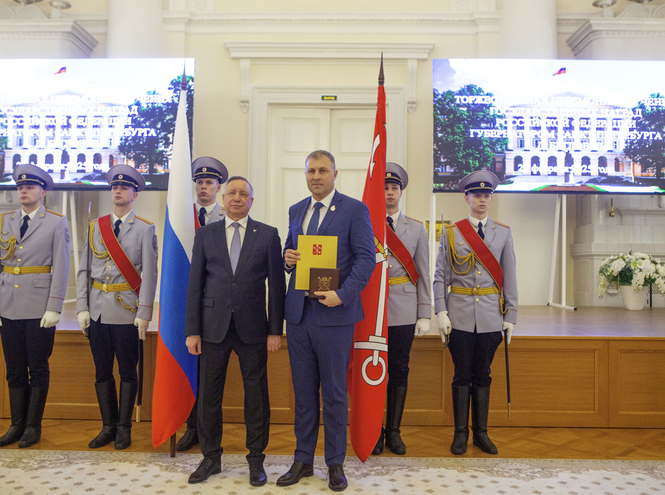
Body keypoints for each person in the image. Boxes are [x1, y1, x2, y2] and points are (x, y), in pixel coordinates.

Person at [277, 150, 375, 492]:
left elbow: (366, 259)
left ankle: (335, 463)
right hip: (300, 316)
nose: (316, 176)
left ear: (335, 173)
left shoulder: (354, 209)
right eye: (311, 171)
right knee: (303, 393)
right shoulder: (296, 210)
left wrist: (343, 294)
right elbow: (291, 254)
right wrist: (287, 258)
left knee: (333, 393)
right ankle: (303, 459)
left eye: (322, 170)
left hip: (334, 314)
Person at [185, 176, 285, 487]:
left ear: (252, 201)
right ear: (222, 197)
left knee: (256, 397)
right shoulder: (206, 235)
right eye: (232, 193)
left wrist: (275, 331)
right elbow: (195, 286)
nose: (237, 199)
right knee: (208, 398)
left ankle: (256, 459)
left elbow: (277, 289)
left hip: (254, 329)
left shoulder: (268, 235)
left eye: (244, 194)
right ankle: (210, 457)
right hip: (212, 328)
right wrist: (193, 330)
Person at [433, 170, 517, 456]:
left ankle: (481, 433)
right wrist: (440, 311)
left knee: (483, 374)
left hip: (492, 316)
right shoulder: (452, 232)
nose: (482, 199)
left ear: (490, 199)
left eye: (486, 195)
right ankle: (460, 434)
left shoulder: (503, 232)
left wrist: (511, 316)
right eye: (477, 195)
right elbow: (440, 275)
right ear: (466, 198)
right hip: (459, 314)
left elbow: (510, 276)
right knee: (461, 374)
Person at [76, 165, 158, 450]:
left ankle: (124, 428)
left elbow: (151, 273)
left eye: (124, 187)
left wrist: (144, 312)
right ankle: (108, 426)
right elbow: (84, 270)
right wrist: (82, 307)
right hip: (98, 309)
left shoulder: (146, 229)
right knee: (102, 371)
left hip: (126, 310)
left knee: (127, 371)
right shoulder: (95, 227)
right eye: (114, 187)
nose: (118, 191)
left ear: (134, 193)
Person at [0, 164, 71, 448]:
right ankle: (16, 424)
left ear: (42, 192)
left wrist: (55, 306)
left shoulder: (56, 222)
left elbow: (62, 266)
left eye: (29, 187)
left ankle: (33, 426)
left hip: (40, 305)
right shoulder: (5, 221)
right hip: (9, 304)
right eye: (20, 187)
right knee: (14, 368)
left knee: (37, 367)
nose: (23, 191)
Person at [372, 162, 430, 456]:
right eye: (385, 187)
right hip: (372, 310)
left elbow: (423, 271)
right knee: (373, 372)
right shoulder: (366, 224)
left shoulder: (416, 229)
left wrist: (425, 312)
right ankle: (374, 431)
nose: (390, 192)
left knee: (398, 370)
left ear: (401, 193)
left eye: (394, 188)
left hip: (404, 308)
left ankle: (393, 431)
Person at [176, 156, 228, 453]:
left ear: (218, 187)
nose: (203, 186)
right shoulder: (182, 218)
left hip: (217, 308)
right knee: (187, 366)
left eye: (209, 182)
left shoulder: (227, 217)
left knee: (209, 375)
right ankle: (190, 426)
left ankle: (205, 429)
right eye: (199, 181)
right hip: (188, 303)